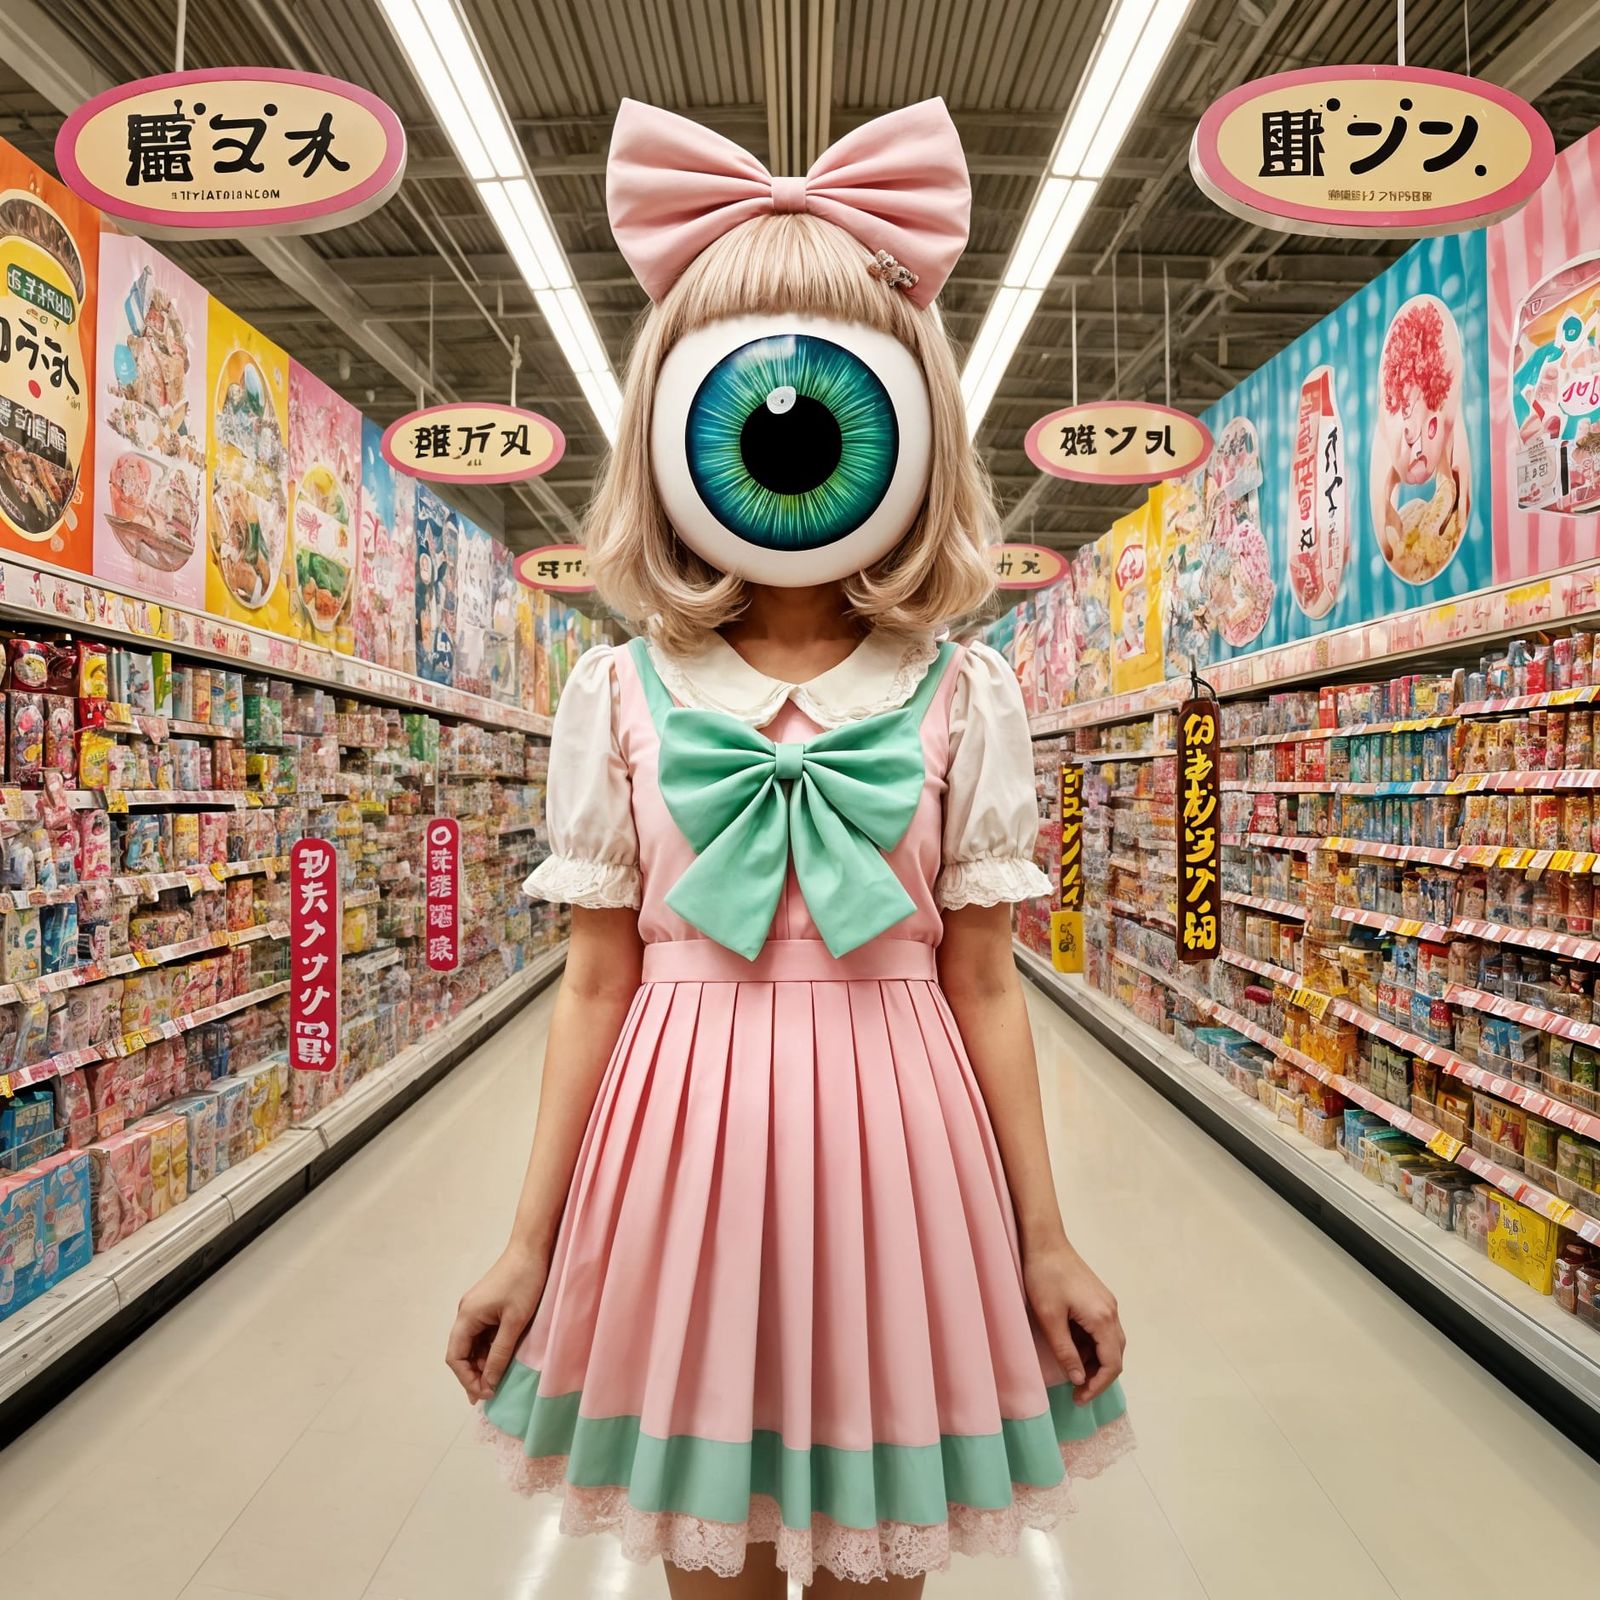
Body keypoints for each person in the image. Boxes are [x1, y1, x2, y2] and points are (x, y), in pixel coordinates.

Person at [447, 98, 1130, 1595]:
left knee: (881, 1571)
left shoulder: (968, 691)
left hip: (906, 1156)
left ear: (915, 424)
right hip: (674, 1160)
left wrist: (1047, 1239)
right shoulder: (614, 688)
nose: (789, 428)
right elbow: (591, 984)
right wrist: (526, 1243)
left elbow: (991, 983)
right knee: (712, 1567)